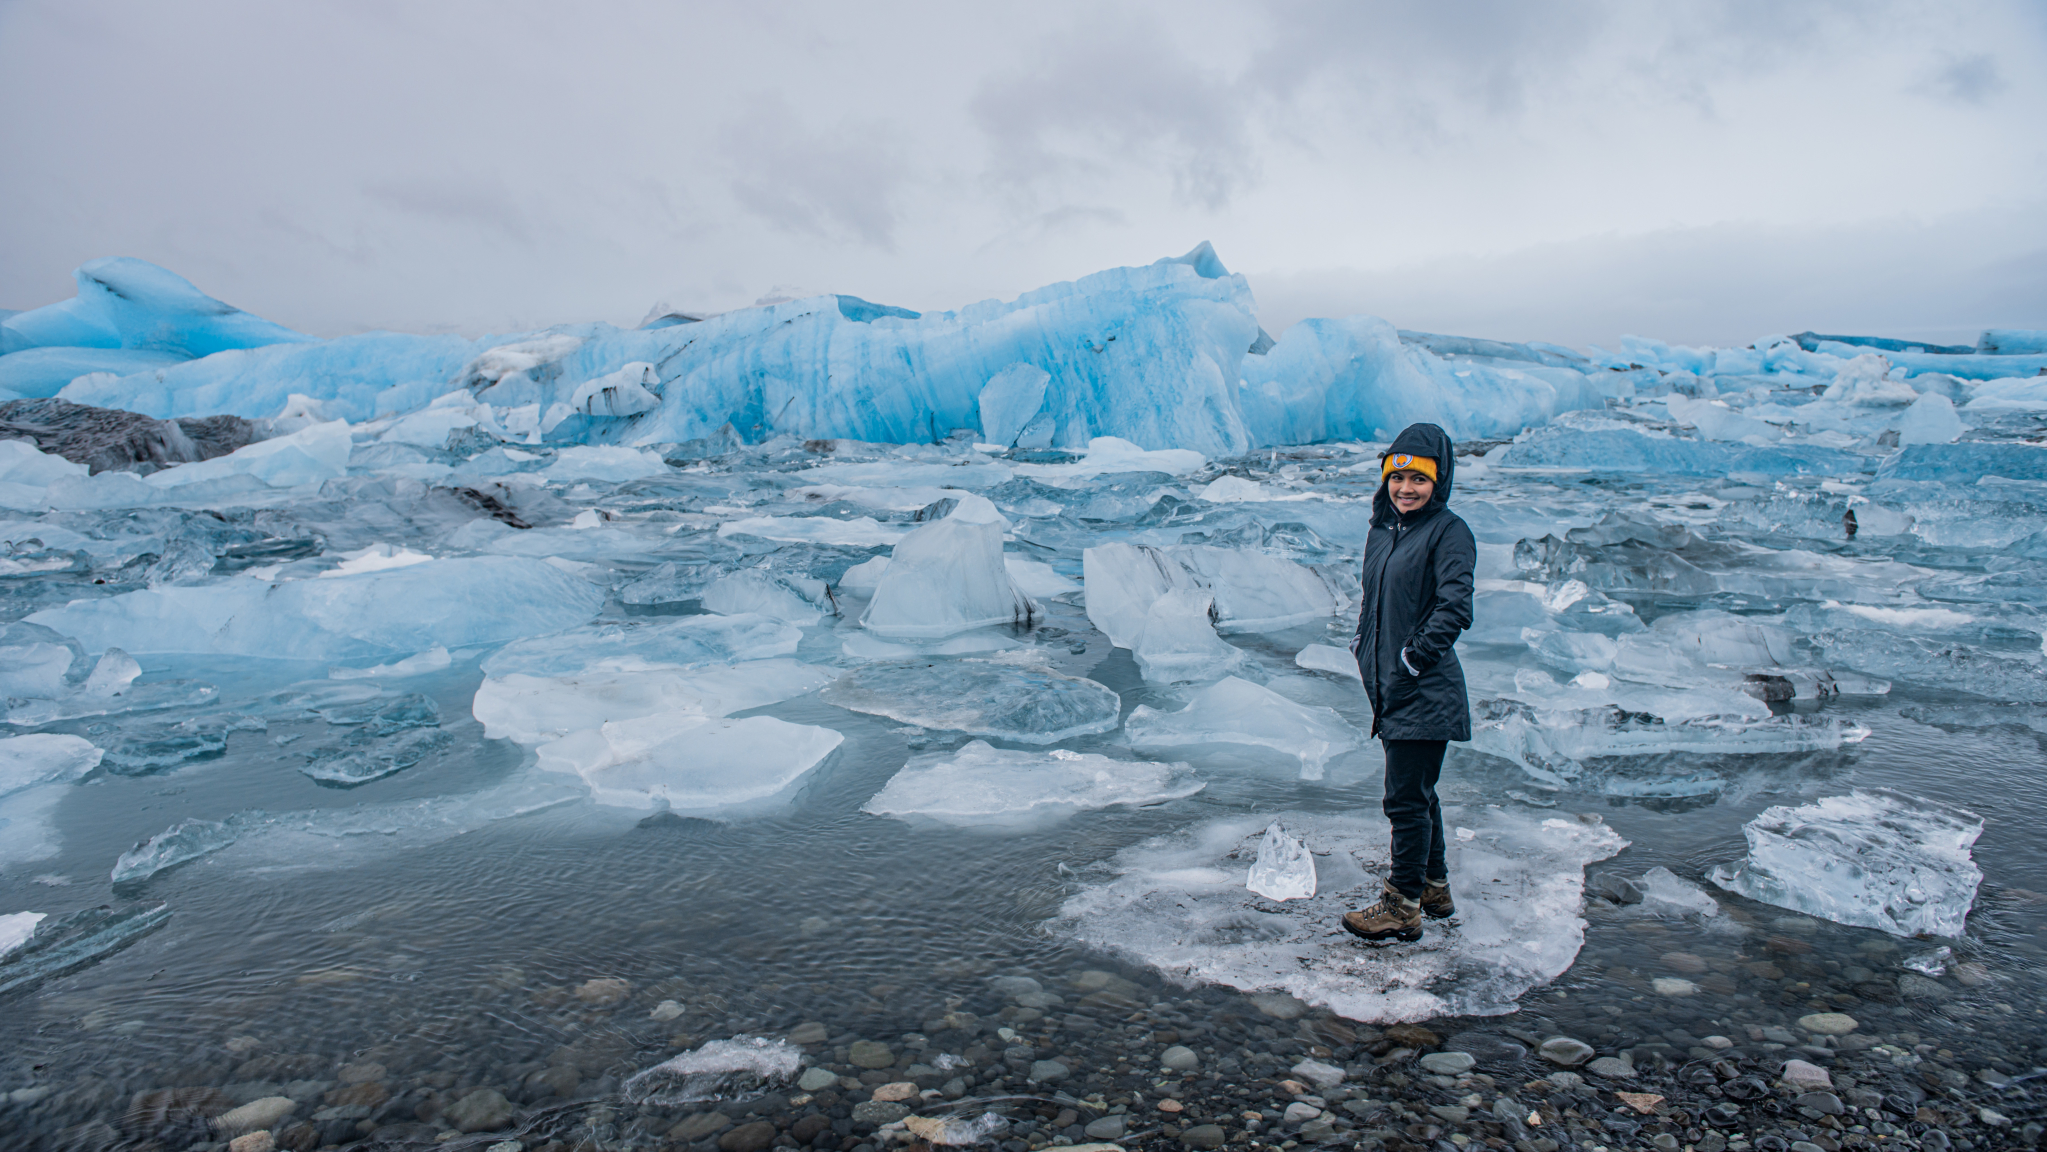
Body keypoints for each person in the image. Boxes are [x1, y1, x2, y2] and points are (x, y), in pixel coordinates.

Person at [1341, 422, 1475, 944]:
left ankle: (1402, 905)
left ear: (1437, 483)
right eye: (1397, 479)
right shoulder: (1384, 530)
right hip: (1391, 686)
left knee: (1404, 800)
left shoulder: (1448, 531)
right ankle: (1433, 888)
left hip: (1425, 689)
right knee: (1420, 793)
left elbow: (1454, 608)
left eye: (1418, 480)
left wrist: (1412, 660)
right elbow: (1372, 602)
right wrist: (1363, 647)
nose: (1406, 489)